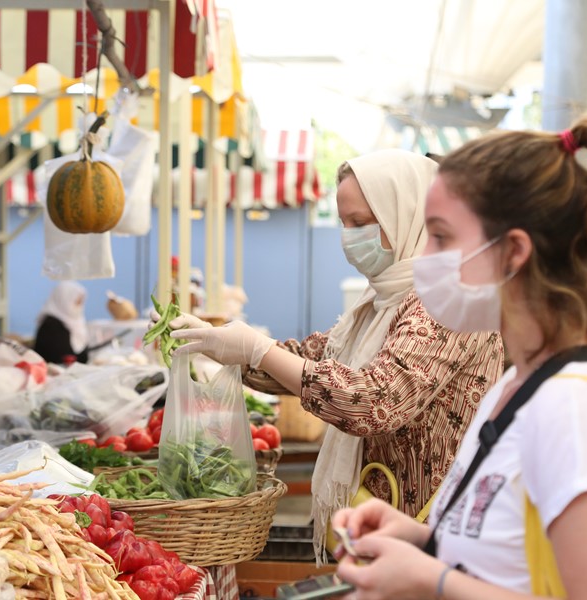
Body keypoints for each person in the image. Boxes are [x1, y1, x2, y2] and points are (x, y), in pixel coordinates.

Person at [330, 116, 587, 599]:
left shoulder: (577, 409)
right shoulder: (512, 390)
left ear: (512, 252)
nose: (424, 258)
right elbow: (510, 562)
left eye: (441, 237)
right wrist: (420, 539)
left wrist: (431, 579)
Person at [167, 150, 506, 561]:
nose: (349, 237)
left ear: (408, 213)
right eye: (344, 223)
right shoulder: (385, 299)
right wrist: (224, 347)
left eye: (361, 223)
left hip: (431, 534)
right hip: (385, 525)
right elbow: (318, 359)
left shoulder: (449, 300)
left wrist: (257, 350)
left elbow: (372, 401)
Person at [34, 281, 90, 365]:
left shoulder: (77, 323)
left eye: (81, 302)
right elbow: (58, 358)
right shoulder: (50, 325)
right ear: (63, 299)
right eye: (76, 302)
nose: (79, 307)